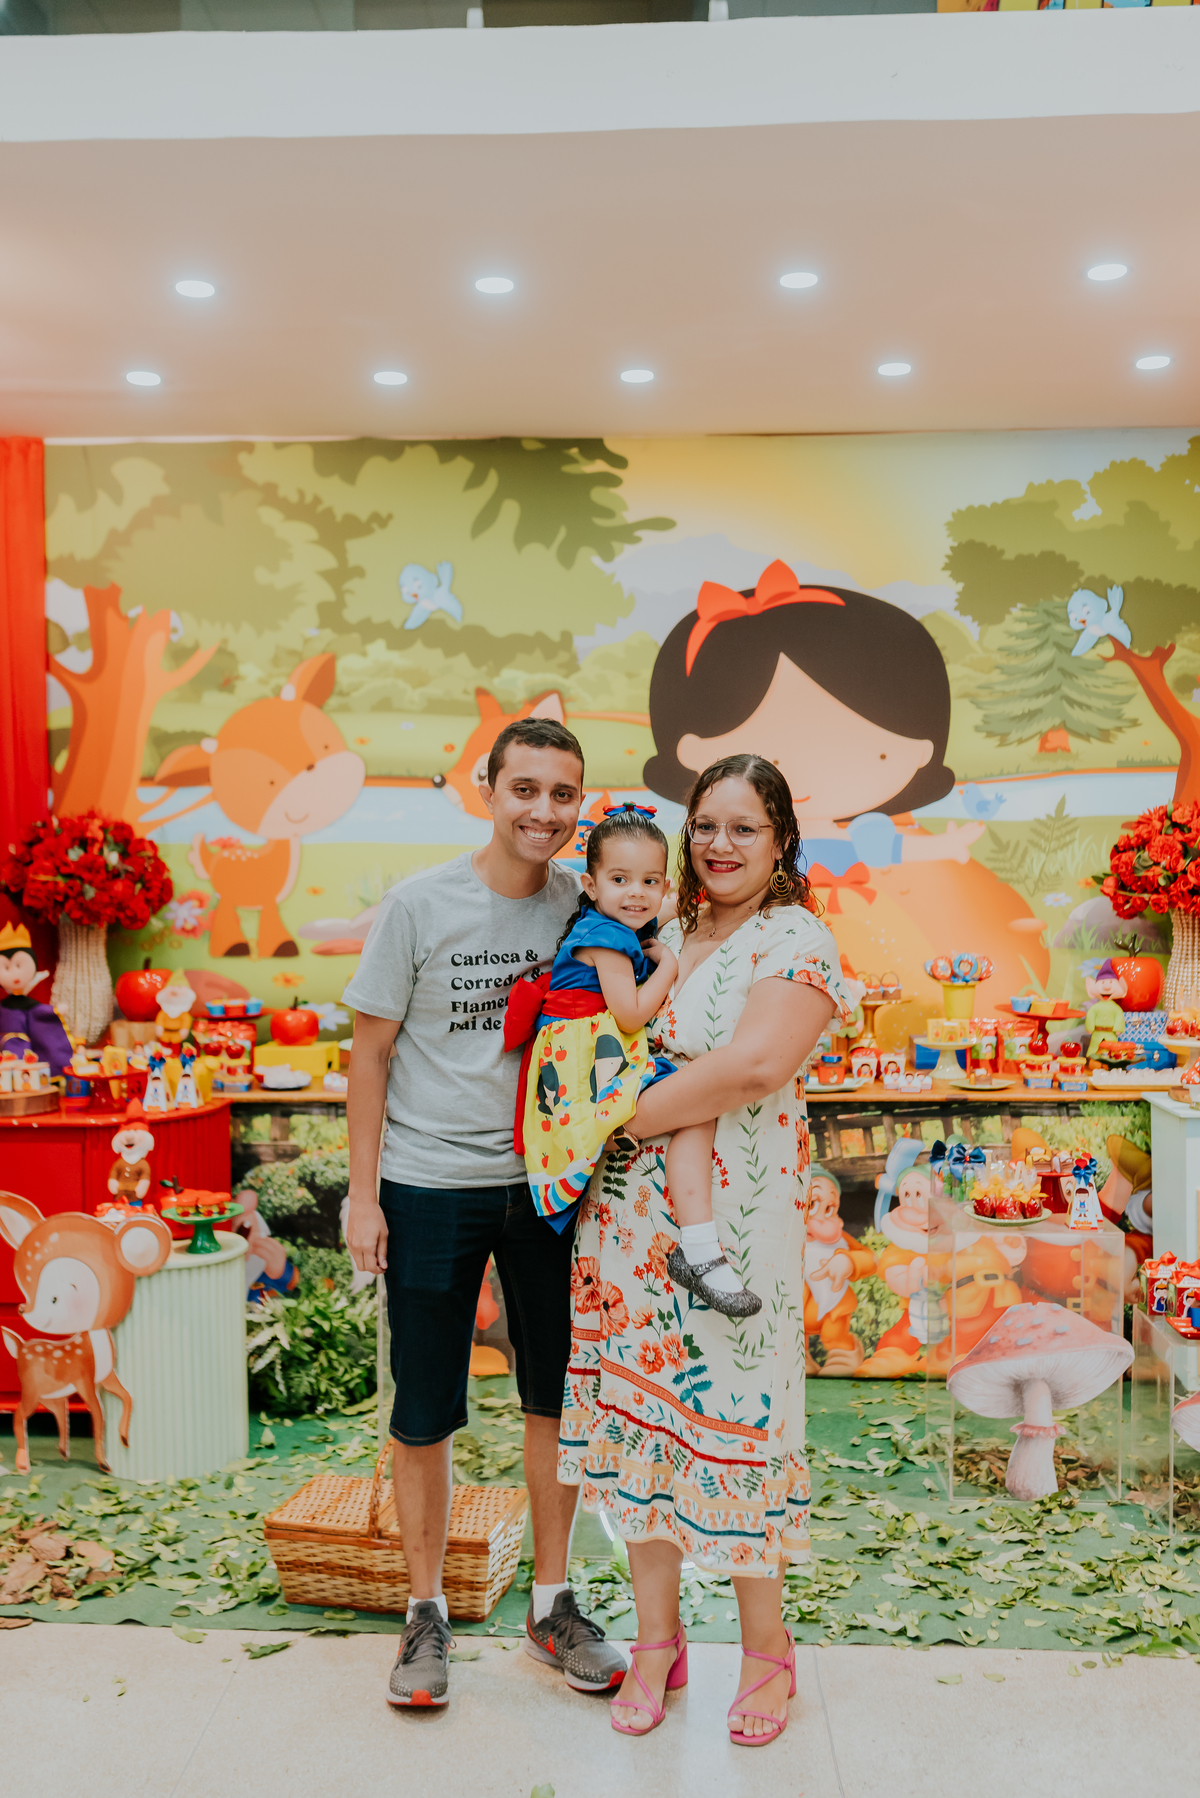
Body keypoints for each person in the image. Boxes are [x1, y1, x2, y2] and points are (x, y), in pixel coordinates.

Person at [559, 752, 852, 1746]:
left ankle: (766, 1649)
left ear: (780, 844)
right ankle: (656, 1642)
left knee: (737, 1424)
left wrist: (623, 1115)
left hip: (734, 1235)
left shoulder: (797, 939)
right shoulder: (667, 932)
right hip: (628, 1229)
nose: (721, 845)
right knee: (644, 1433)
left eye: (745, 827)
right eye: (708, 825)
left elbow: (756, 1064)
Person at [342, 716, 627, 1710]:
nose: (544, 811)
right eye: (526, 789)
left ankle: (553, 1602)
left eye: (562, 794)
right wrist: (364, 1196)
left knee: (554, 1396)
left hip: (549, 1190)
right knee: (425, 1407)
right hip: (427, 1187)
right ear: (487, 787)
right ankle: (427, 1613)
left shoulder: (584, 910)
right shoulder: (420, 906)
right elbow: (367, 1057)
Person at [507, 803, 759, 1317]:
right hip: (589, 1061)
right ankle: (702, 1247)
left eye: (649, 881)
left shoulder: (611, 925)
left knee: (695, 1103)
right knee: (697, 1102)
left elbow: (662, 913)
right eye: (620, 879)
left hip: (589, 1053)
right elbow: (630, 1013)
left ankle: (699, 1245)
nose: (636, 893)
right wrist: (669, 963)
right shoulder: (605, 940)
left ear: (664, 888)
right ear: (591, 884)